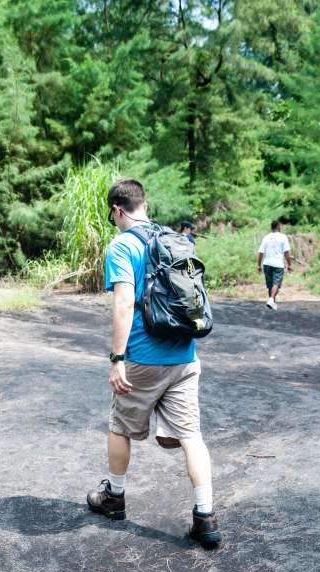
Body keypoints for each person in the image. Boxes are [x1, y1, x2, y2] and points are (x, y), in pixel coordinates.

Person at [87, 179, 221, 547]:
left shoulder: (123, 245)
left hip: (143, 359)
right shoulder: (176, 239)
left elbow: (124, 304)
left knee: (120, 426)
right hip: (184, 355)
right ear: (143, 204)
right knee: (191, 435)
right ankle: (205, 517)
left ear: (117, 209)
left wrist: (117, 359)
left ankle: (114, 498)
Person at [258, 220, 292, 309]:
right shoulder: (283, 237)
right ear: (278, 227)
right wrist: (289, 264)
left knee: (270, 285)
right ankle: (271, 299)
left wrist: (259, 265)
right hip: (278, 264)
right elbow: (286, 252)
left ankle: (272, 304)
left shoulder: (266, 237)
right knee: (276, 284)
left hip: (267, 264)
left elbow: (261, 252)